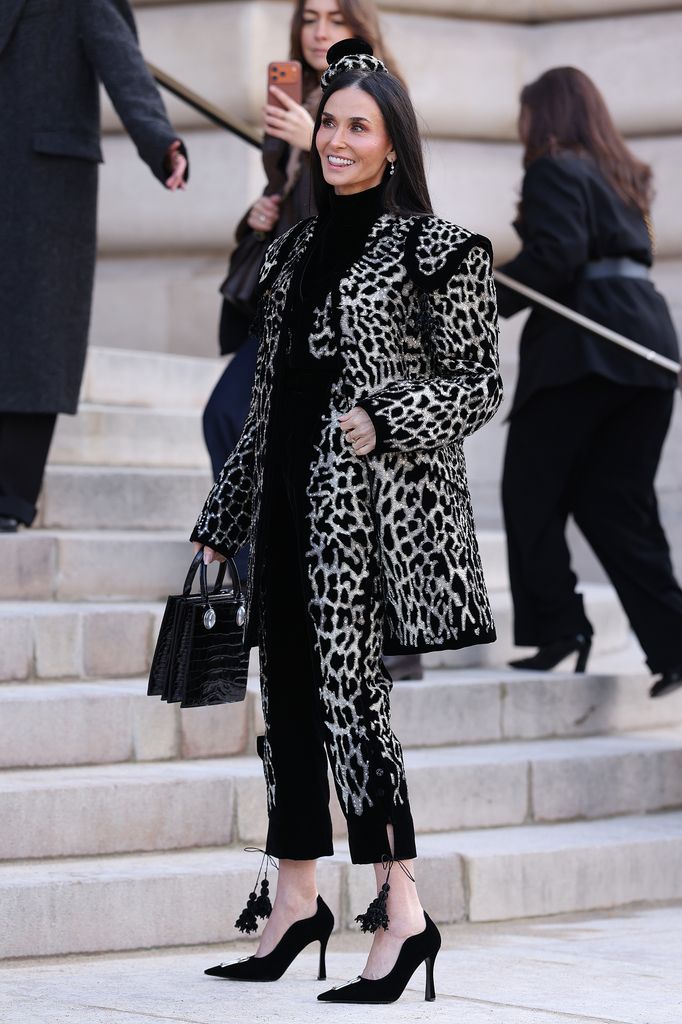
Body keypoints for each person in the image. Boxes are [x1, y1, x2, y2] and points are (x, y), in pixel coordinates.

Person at [192, 38, 502, 1004]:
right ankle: (294, 902)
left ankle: (402, 912)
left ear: (392, 146)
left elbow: (480, 382)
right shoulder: (288, 250)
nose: (334, 139)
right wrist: (221, 516)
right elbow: (269, 399)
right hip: (283, 506)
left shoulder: (441, 250)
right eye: (329, 123)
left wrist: (390, 414)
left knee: (351, 708)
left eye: (356, 127)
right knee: (284, 708)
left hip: (362, 518)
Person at [496, 66, 682, 699]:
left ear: (544, 116)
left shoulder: (554, 168)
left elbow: (555, 256)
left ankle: (559, 629)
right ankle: (674, 647)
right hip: (649, 349)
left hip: (586, 352)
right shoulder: (624, 178)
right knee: (617, 502)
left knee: (529, 488)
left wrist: (473, 300)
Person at [203, 0, 398, 578]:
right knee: (228, 417)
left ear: (359, 27)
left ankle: (386, 637)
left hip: (345, 304)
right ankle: (259, 577)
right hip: (289, 294)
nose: (320, 32)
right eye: (310, 18)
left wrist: (316, 137)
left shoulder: (377, 92)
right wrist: (261, 214)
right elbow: (300, 202)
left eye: (335, 19)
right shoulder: (299, 94)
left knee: (353, 467)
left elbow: (381, 196)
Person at [0, 0, 188, 533]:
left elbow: (123, 62)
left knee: (38, 341)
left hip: (47, 188)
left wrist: (161, 142)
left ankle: (12, 498)